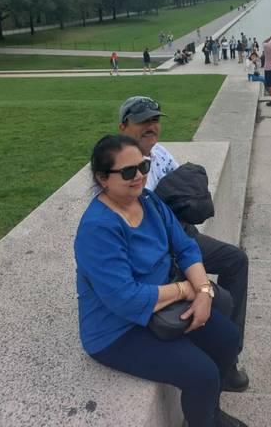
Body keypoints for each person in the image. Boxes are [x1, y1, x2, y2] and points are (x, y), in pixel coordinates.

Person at [74, 135, 246, 427]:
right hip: (117, 329)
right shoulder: (98, 229)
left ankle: (209, 412)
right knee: (200, 373)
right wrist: (187, 289)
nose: (139, 176)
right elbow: (125, 299)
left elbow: (186, 246)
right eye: (128, 172)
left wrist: (203, 292)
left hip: (163, 303)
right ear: (103, 179)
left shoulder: (149, 201)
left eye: (143, 166)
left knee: (227, 339)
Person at [118, 97, 250, 393]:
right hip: (157, 248)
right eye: (143, 121)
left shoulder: (160, 152)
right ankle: (217, 354)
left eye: (155, 120)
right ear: (123, 126)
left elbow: (185, 186)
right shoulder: (118, 165)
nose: (151, 127)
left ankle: (229, 358)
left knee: (236, 261)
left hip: (181, 233)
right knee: (221, 298)